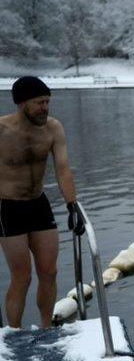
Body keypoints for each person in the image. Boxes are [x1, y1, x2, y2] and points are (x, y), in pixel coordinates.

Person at [0, 76, 84, 328]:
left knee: (49, 272)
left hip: (39, 204)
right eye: (39, 103)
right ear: (21, 103)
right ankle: (14, 334)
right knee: (22, 277)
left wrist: (72, 205)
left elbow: (63, 170)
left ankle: (46, 328)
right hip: (8, 208)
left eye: (47, 102)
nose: (45, 108)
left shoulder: (53, 128)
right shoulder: (2, 130)